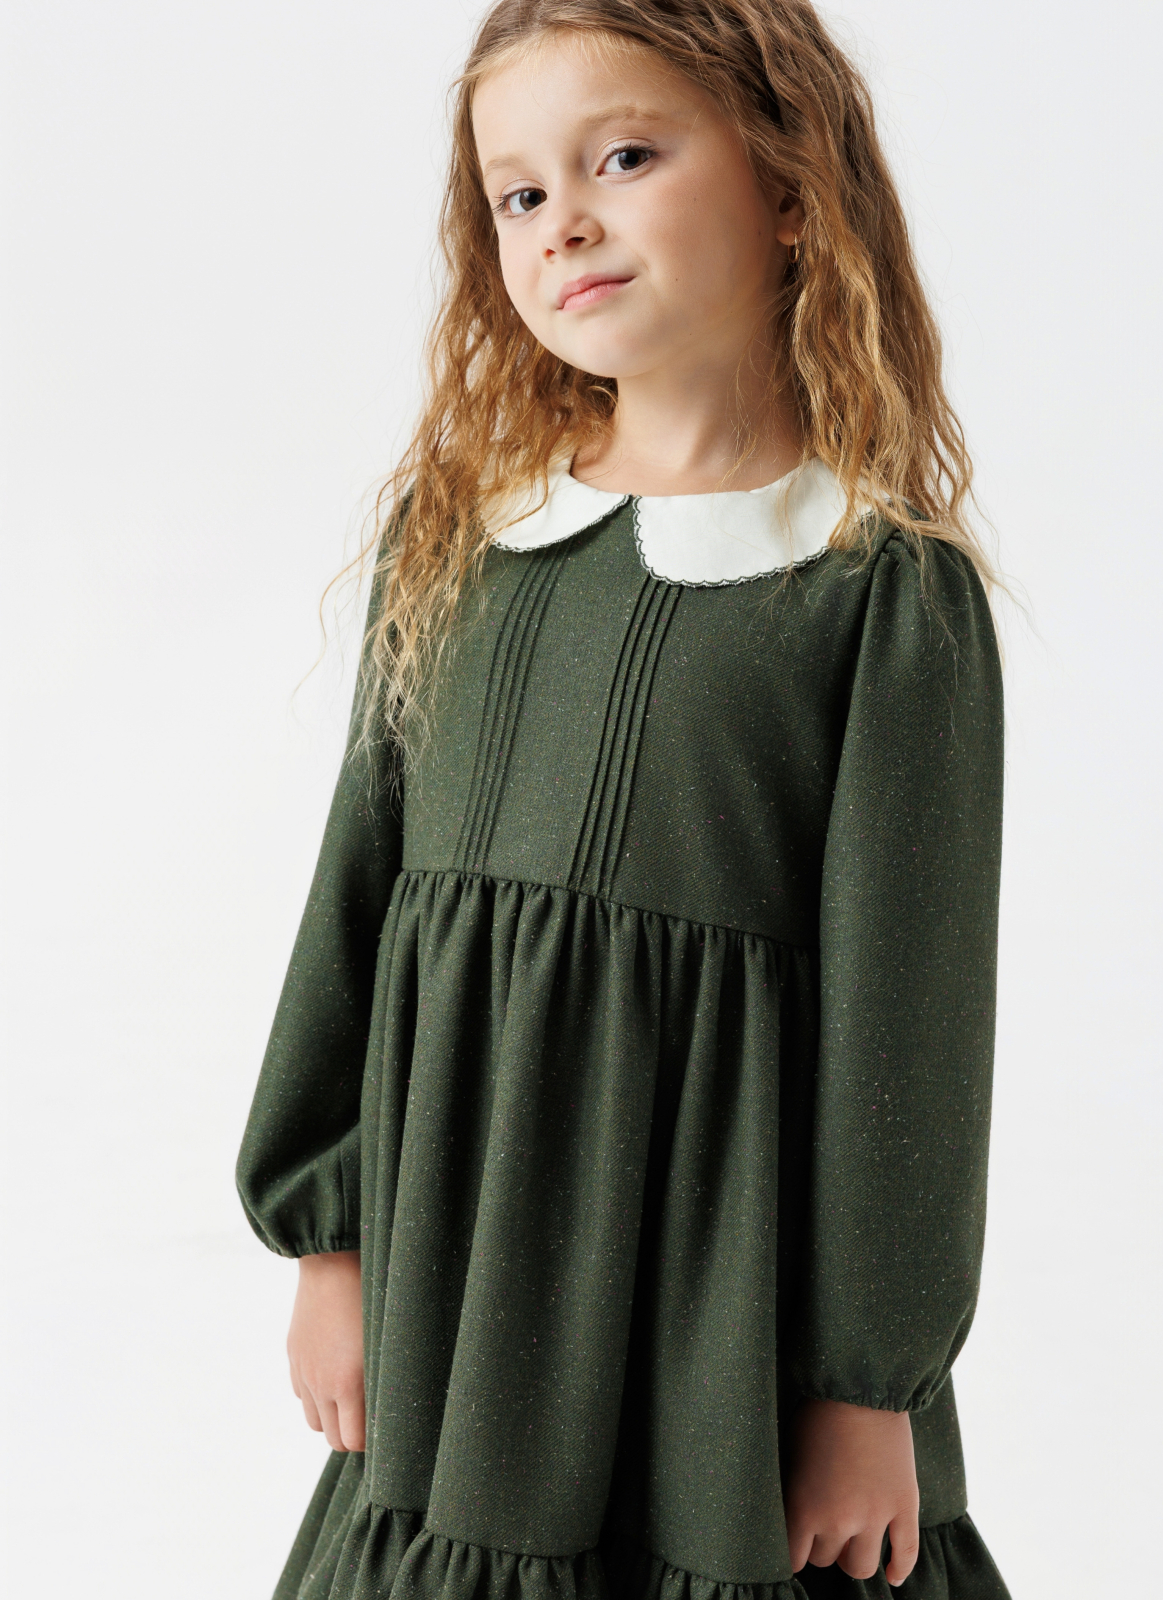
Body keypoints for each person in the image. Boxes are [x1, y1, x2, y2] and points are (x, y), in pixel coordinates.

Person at [235, 2, 1010, 1596]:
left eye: (626, 158)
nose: (562, 222)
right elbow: (357, 900)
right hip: (459, 1316)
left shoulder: (876, 593)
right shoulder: (459, 542)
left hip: (722, 1330)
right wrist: (331, 1237)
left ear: (789, 182)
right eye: (519, 193)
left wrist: (866, 1386)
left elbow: (909, 1023)